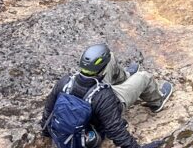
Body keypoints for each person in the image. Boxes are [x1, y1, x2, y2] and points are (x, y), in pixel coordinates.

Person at [41, 43, 173, 148]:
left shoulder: (65, 81)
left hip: (90, 100)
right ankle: (157, 102)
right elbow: (115, 130)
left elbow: (49, 108)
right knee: (144, 77)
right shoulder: (104, 96)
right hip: (106, 105)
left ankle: (125, 77)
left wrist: (46, 132)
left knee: (111, 57)